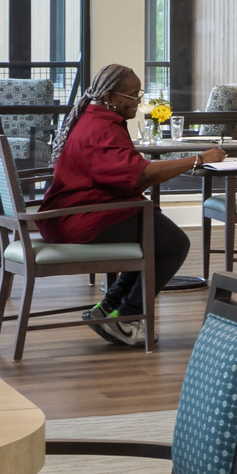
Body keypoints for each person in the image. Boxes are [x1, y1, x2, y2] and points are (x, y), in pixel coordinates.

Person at [39, 64, 222, 348]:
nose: (138, 101)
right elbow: (141, 174)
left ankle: (110, 309)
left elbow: (123, 174)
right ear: (110, 97)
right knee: (173, 243)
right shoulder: (101, 128)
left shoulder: (94, 118)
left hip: (78, 211)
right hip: (79, 219)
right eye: (133, 95)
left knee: (158, 237)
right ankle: (125, 317)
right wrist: (196, 159)